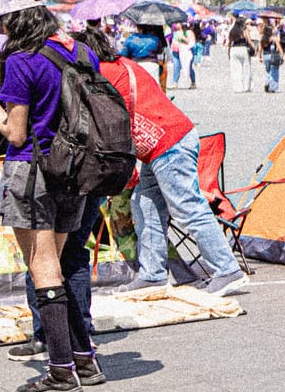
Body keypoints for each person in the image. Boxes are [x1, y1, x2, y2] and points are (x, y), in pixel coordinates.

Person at [73, 24, 248, 297]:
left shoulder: (104, 76)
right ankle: (152, 274)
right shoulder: (125, 65)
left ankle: (227, 271)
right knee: (144, 204)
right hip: (163, 144)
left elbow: (107, 126)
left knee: (186, 207)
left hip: (168, 144)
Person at [0, 0, 102, 392]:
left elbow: (14, 132)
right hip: (75, 172)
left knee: (42, 266)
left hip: (33, 172)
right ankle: (85, 359)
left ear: (13, 22)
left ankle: (59, 372)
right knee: (62, 259)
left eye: (1, 22)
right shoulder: (80, 53)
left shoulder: (21, 61)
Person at [226, 15, 254, 92]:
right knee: (246, 69)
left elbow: (229, 43)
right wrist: (255, 49)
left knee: (236, 70)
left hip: (234, 49)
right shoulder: (244, 30)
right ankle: (246, 87)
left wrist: (228, 53)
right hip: (243, 48)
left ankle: (238, 88)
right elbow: (249, 41)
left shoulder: (232, 31)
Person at [260, 20, 285, 93]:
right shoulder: (273, 38)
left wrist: (260, 57)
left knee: (268, 71)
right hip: (273, 55)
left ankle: (267, 82)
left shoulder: (262, 39)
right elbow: (279, 48)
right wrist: (282, 56)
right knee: (274, 72)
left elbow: (260, 49)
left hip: (265, 56)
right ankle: (272, 87)